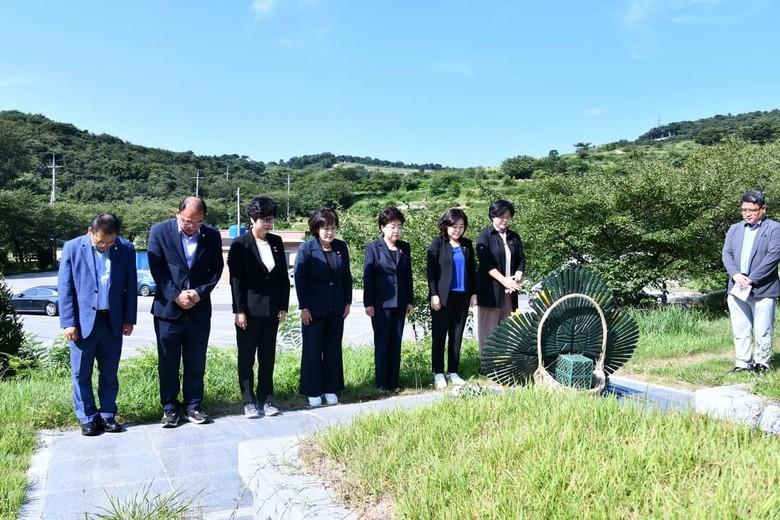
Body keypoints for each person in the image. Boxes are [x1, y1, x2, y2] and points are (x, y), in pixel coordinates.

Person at [57, 213, 137, 436]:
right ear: (90, 232)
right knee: (81, 373)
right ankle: (88, 417)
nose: (105, 246)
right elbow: (65, 287)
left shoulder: (125, 248)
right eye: (101, 242)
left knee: (109, 373)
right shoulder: (72, 248)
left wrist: (129, 319)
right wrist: (68, 322)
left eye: (110, 242)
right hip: (82, 324)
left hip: (112, 321)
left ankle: (108, 414)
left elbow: (131, 285)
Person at [148, 196, 224, 428]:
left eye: (197, 222)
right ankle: (170, 408)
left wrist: (200, 293)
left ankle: (194, 405)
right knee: (168, 362)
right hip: (168, 310)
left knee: (196, 361)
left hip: (199, 309)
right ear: (178, 214)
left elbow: (216, 268)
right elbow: (157, 269)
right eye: (187, 221)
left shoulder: (212, 235)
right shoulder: (159, 231)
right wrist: (176, 295)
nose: (191, 226)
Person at [227, 196, 290, 418]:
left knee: (267, 357)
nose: (268, 224)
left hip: (272, 310)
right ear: (252, 219)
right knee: (246, 358)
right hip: (249, 311)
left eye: (271, 219)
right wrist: (239, 311)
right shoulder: (240, 245)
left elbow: (283, 277)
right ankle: (248, 400)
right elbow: (236, 281)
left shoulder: (276, 242)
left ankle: (267, 398)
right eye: (264, 219)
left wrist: (283, 305)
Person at [294, 208, 353, 407]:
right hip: (313, 309)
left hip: (336, 307)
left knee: (333, 349)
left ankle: (330, 389)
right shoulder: (307, 248)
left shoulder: (341, 247)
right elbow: (300, 279)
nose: (330, 232)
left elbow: (346, 276)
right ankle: (313, 391)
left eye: (333, 228)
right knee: (312, 350)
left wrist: (347, 302)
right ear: (316, 229)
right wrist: (304, 307)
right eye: (325, 228)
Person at [722, 190, 780, 374]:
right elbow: (726, 254)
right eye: (744, 210)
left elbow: (773, 256)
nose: (747, 214)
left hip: (764, 289)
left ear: (763, 209)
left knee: (763, 329)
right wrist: (735, 275)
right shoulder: (734, 229)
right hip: (737, 288)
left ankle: (762, 364)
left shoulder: (774, 229)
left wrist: (752, 279)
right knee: (741, 329)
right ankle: (742, 363)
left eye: (752, 210)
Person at [364, 206, 414, 391]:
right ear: (382, 227)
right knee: (382, 343)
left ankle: (394, 382)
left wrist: (410, 300)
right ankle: (381, 383)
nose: (396, 230)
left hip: (400, 302)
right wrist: (368, 303)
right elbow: (368, 277)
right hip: (381, 304)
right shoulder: (373, 248)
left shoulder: (404, 247)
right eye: (392, 226)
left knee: (396, 342)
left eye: (399, 226)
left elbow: (408, 275)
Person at [427, 208, 477, 389]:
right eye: (454, 226)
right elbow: (431, 272)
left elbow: (472, 271)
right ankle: (438, 372)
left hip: (462, 296)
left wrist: (474, 293)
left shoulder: (467, 245)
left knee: (456, 335)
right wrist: (434, 294)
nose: (458, 230)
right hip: (442, 298)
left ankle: (453, 371)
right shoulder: (438, 243)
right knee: (439, 336)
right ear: (446, 226)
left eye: (461, 226)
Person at [476, 199, 525, 356]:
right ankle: (487, 363)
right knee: (488, 330)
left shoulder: (514, 236)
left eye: (507, 216)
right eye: (500, 216)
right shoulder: (485, 235)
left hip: (510, 291)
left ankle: (504, 362)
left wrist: (518, 275)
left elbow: (521, 259)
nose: (504, 220)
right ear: (492, 216)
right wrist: (504, 281)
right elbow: (486, 263)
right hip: (490, 290)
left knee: (507, 329)